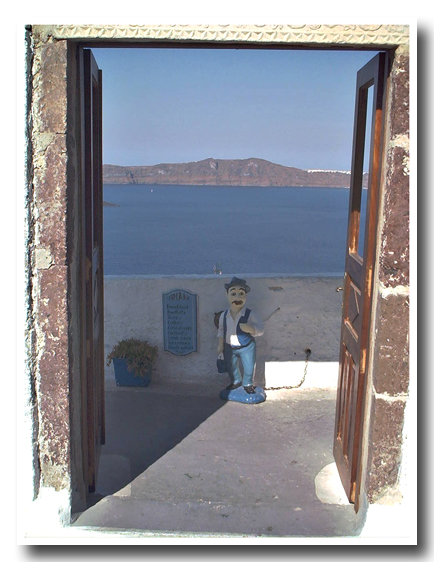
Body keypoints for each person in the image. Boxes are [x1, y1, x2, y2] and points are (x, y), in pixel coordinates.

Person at [217, 277, 264, 394]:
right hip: (229, 347)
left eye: (241, 293)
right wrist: (220, 345)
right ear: (227, 295)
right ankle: (236, 381)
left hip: (247, 346)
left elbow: (261, 329)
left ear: (246, 296)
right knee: (231, 367)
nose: (237, 298)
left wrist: (251, 329)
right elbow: (221, 330)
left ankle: (248, 384)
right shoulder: (224, 315)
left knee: (249, 367)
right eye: (233, 293)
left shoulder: (250, 314)